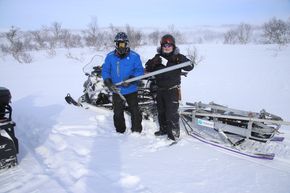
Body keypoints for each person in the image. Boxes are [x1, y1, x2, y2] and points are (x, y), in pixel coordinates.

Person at [145, 34, 194, 141]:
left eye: (169, 46)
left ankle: (173, 135)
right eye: (165, 46)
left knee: (172, 113)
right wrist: (153, 63)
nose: (167, 48)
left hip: (173, 90)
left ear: (173, 46)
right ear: (162, 47)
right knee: (161, 111)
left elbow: (190, 66)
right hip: (160, 89)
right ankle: (163, 130)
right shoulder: (158, 57)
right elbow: (147, 68)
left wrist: (178, 59)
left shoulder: (178, 57)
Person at [102, 32, 144, 133]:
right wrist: (108, 81)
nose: (121, 46)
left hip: (131, 89)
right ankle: (120, 131)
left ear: (127, 44)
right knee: (117, 112)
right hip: (117, 89)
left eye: (123, 44)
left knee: (135, 111)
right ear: (116, 44)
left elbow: (139, 71)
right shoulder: (110, 56)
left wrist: (132, 79)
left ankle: (137, 131)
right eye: (119, 44)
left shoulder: (135, 56)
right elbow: (105, 70)